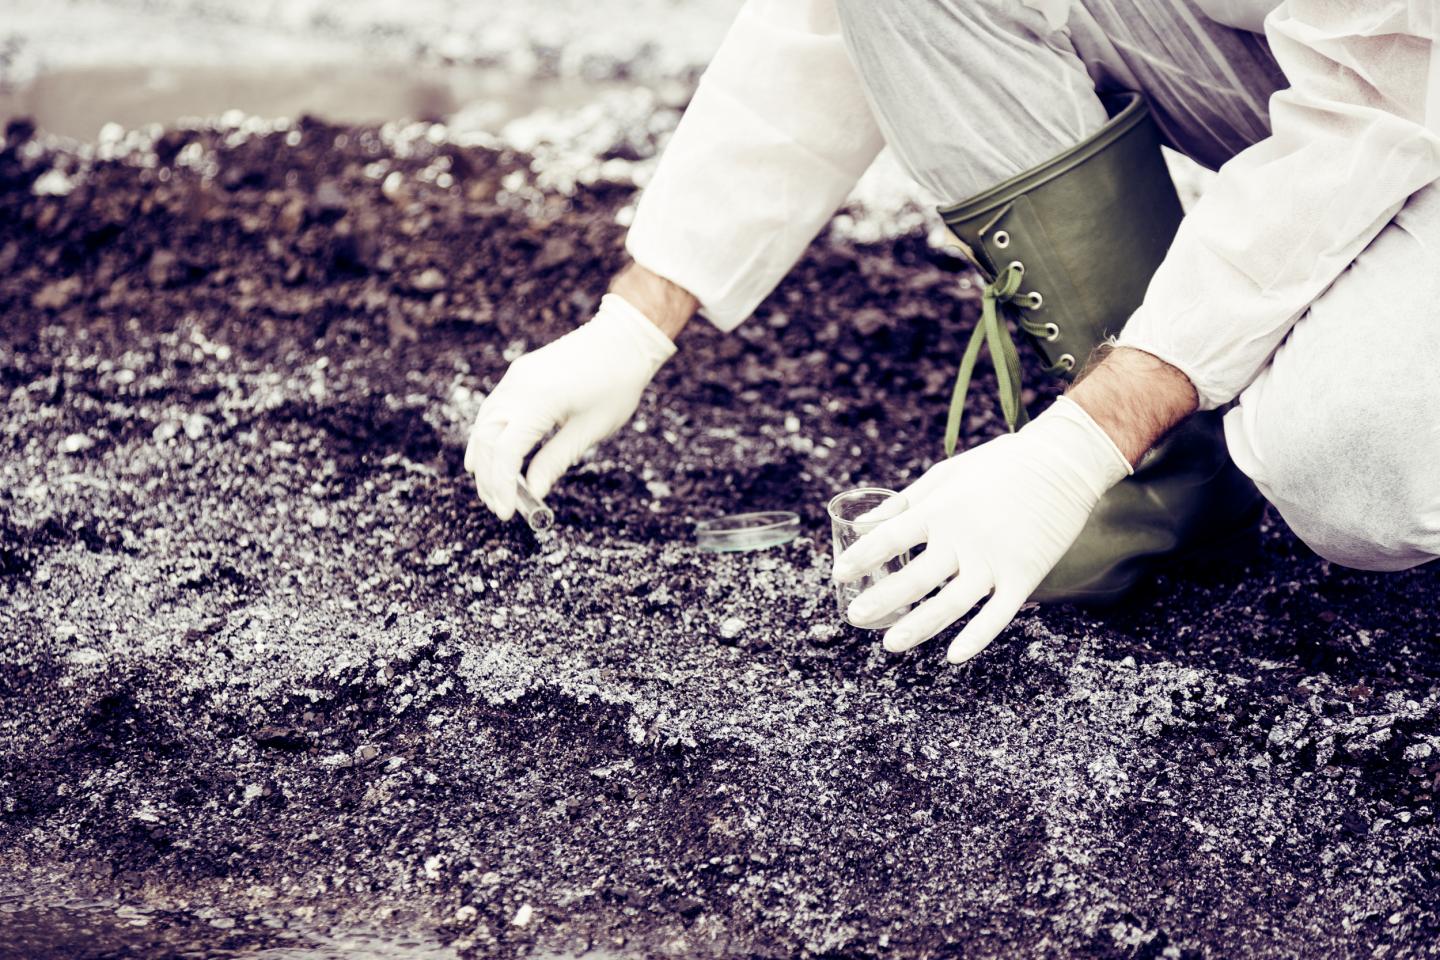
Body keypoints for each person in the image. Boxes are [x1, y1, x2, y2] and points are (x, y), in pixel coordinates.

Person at [466, 1, 1440, 664]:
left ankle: (1125, 430)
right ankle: (1168, 476)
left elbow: (1381, 103)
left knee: (1348, 451)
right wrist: (637, 318)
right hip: (1342, 54)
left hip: (1402, 75)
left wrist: (1075, 443)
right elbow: (832, 19)